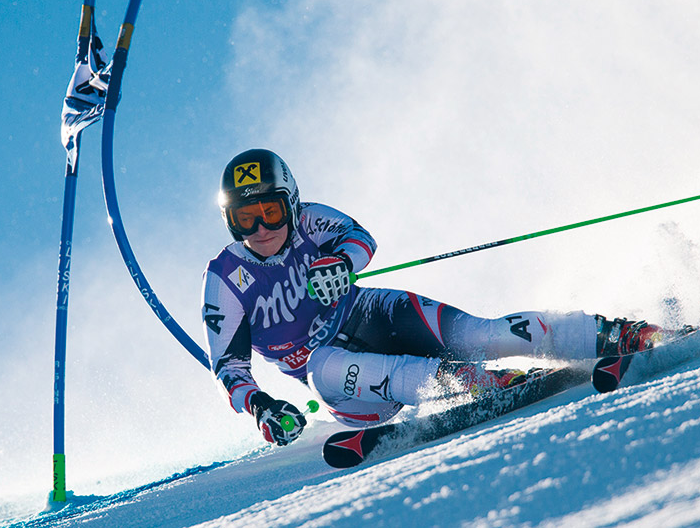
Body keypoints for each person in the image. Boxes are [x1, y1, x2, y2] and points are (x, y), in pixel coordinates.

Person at [201, 148, 673, 446]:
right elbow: (229, 367)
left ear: (292, 202)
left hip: (369, 314)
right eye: (247, 218)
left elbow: (359, 237)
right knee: (319, 364)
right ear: (231, 222)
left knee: (479, 333)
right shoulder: (226, 278)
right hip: (349, 386)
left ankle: (614, 334)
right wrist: (262, 407)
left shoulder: (309, 220)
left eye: (271, 211)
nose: (262, 228)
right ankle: (469, 383)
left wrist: (342, 263)